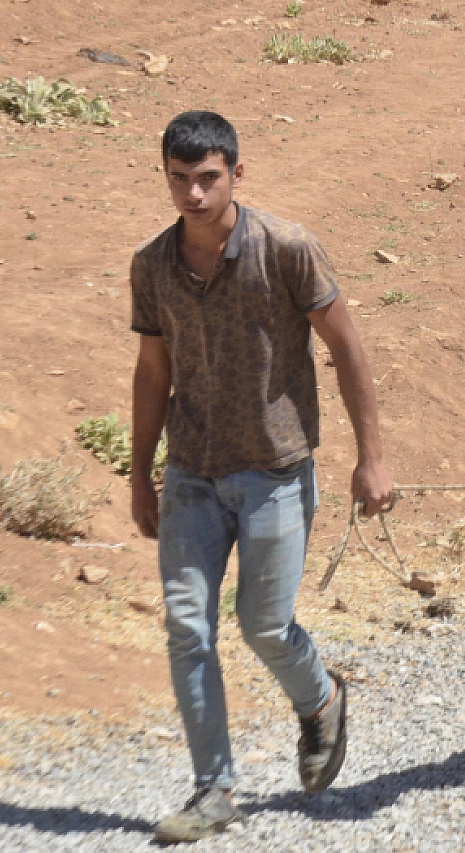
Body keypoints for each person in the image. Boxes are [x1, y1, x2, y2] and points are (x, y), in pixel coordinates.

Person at [128, 110, 394, 843]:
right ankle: (213, 790)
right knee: (189, 627)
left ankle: (320, 699)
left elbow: (347, 348)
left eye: (208, 178)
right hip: (190, 472)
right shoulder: (152, 264)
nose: (193, 195)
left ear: (236, 173)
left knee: (264, 624)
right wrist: (138, 475)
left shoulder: (287, 248)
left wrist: (372, 457)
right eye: (179, 180)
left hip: (275, 471)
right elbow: (152, 371)